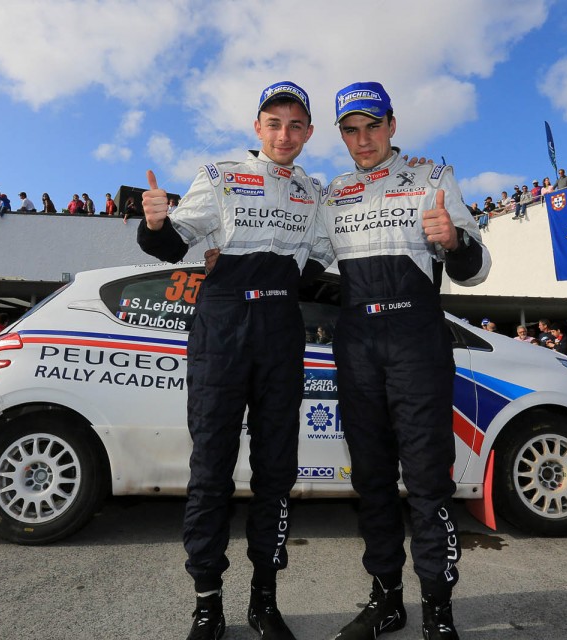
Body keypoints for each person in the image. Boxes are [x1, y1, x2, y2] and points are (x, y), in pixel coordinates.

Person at [301, 81, 490, 640]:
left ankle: (438, 609)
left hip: (416, 340)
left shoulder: (432, 177)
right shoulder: (332, 193)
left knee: (428, 482)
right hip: (357, 343)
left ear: (392, 125)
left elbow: (476, 269)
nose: (363, 140)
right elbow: (305, 266)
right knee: (373, 480)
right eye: (351, 131)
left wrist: (453, 242)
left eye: (372, 127)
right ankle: (386, 599)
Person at [137, 81, 322, 640]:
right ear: (257, 127)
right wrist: (154, 223)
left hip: (280, 330)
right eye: (273, 123)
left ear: (308, 133)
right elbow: (173, 245)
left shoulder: (316, 191)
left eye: (295, 125)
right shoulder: (219, 174)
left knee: (276, 472)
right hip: (221, 329)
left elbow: (326, 266)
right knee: (211, 469)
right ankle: (207, 603)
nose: (284, 134)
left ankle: (264, 602)